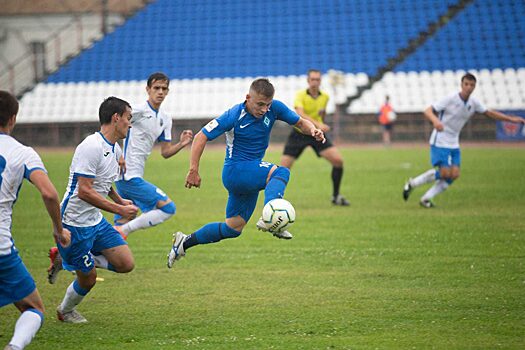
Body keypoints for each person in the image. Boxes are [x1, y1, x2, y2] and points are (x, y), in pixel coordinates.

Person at [166, 78, 325, 268]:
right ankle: (270, 217)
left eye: (268, 105)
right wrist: (193, 169)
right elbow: (201, 136)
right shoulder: (234, 115)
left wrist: (313, 129)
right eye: (260, 104)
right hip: (236, 170)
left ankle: (184, 242)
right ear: (248, 98)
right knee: (280, 172)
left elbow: (300, 122)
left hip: (249, 173)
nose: (264, 109)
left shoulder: (275, 108)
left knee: (233, 227)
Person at [54, 97, 139, 323]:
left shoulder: (115, 148)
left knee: (125, 264)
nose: (130, 124)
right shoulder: (91, 146)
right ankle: (65, 310)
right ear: (116, 118)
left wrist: (121, 202)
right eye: (128, 118)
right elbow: (85, 191)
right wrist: (118, 209)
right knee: (88, 279)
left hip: (95, 220)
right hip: (74, 222)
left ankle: (67, 260)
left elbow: (104, 183)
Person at [0, 90, 71, 350]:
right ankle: (15, 347)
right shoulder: (23, 152)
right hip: (1, 248)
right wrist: (58, 230)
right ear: (13, 119)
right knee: (33, 307)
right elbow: (50, 193)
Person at [403, 73, 525, 207]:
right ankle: (412, 183)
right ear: (461, 85)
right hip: (440, 140)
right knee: (444, 172)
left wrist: (511, 119)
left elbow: (489, 113)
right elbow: (428, 111)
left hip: (454, 142)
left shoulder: (474, 103)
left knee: (454, 174)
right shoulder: (450, 98)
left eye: (472, 85)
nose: (469, 87)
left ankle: (426, 198)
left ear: (475, 87)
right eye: (466, 84)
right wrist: (436, 121)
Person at [113, 72, 193, 238]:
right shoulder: (137, 111)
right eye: (156, 88)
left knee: (118, 228)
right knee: (167, 208)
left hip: (132, 176)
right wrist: (118, 154)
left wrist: (182, 144)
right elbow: (112, 127)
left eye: (164, 88)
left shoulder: (165, 119)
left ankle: (70, 254)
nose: (160, 92)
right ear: (148, 89)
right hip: (129, 176)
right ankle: (123, 231)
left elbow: (165, 152)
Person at [280, 69, 349, 206]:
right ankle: (275, 201)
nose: (315, 82)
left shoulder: (325, 97)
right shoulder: (300, 95)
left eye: (317, 80)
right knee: (283, 169)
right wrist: (318, 124)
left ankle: (336, 196)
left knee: (338, 161)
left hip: (316, 135)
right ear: (308, 81)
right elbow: (300, 113)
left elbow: (321, 114)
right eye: (312, 79)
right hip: (299, 133)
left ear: (320, 81)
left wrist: (321, 125)